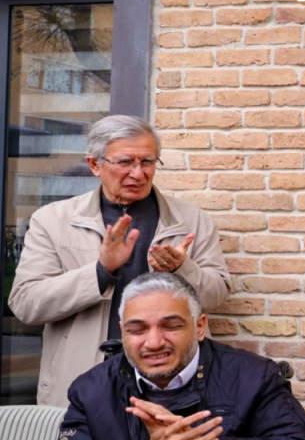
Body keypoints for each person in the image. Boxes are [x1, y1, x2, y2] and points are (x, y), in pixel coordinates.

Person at [9, 115, 231, 407]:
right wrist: (101, 272)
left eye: (147, 162)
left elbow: (217, 295)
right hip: (84, 377)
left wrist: (181, 269)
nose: (138, 173)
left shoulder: (190, 220)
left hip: (171, 379)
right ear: (94, 165)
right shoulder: (52, 220)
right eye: (125, 162)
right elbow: (26, 304)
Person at [55, 273, 305, 440]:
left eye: (171, 326)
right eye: (137, 330)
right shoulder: (91, 390)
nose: (154, 342)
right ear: (122, 331)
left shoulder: (254, 376)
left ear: (199, 326)